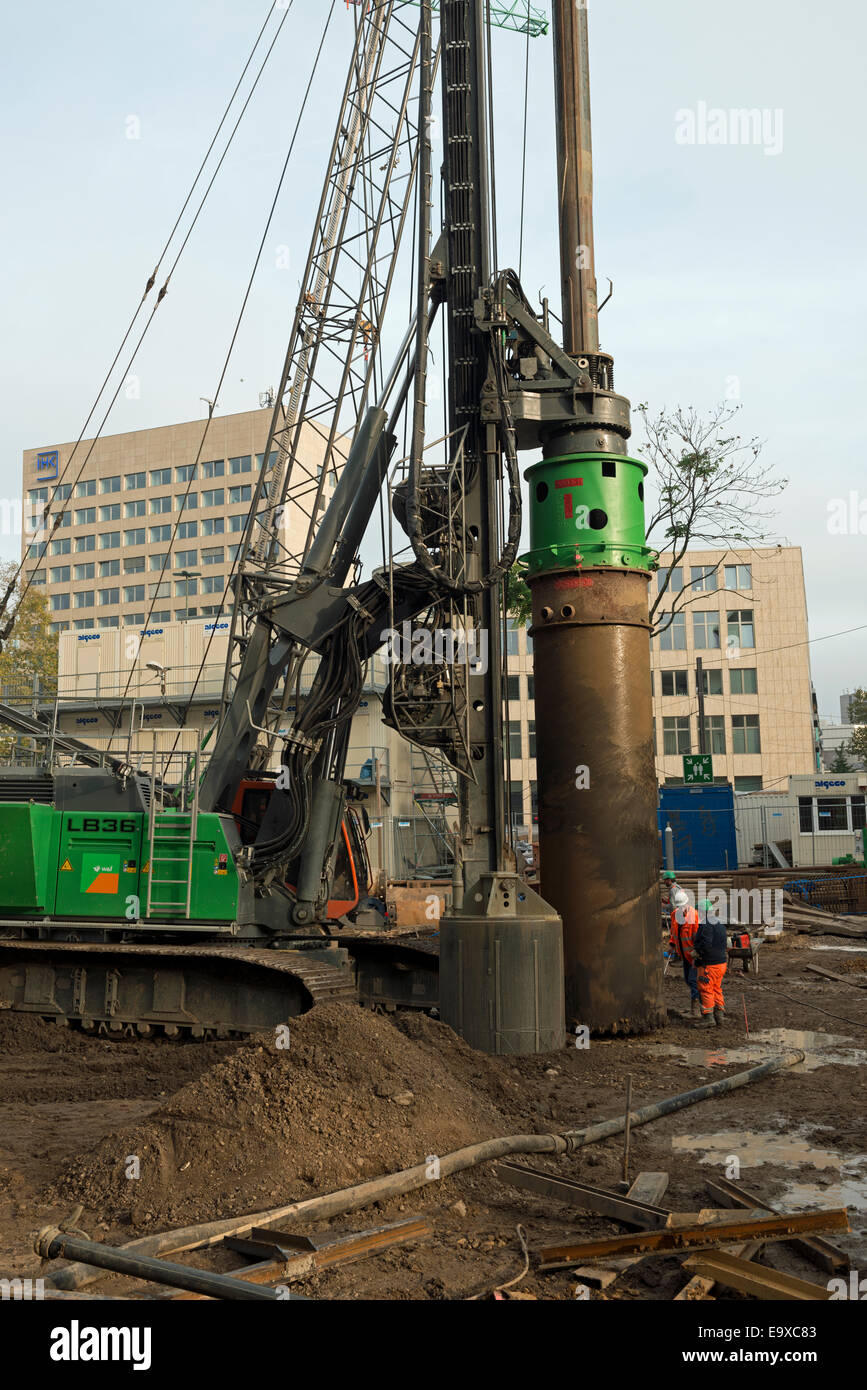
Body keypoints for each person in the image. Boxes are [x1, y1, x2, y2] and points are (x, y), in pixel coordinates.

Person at [693, 897, 728, 1027]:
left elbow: (706, 944)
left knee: (706, 988)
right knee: (716, 988)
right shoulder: (719, 924)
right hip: (721, 963)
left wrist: (698, 954)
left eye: (698, 911)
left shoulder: (706, 925)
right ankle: (719, 1016)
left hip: (709, 964)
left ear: (702, 911)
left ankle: (708, 1018)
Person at [668, 888, 700, 1017]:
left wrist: (697, 954)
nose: (681, 909)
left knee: (693, 980)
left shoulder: (694, 916)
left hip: (693, 955)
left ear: (688, 903)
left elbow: (698, 938)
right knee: (687, 979)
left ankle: (696, 1007)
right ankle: (700, 1000)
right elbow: (674, 932)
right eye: (679, 907)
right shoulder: (675, 914)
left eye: (683, 907)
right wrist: (672, 944)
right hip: (683, 955)